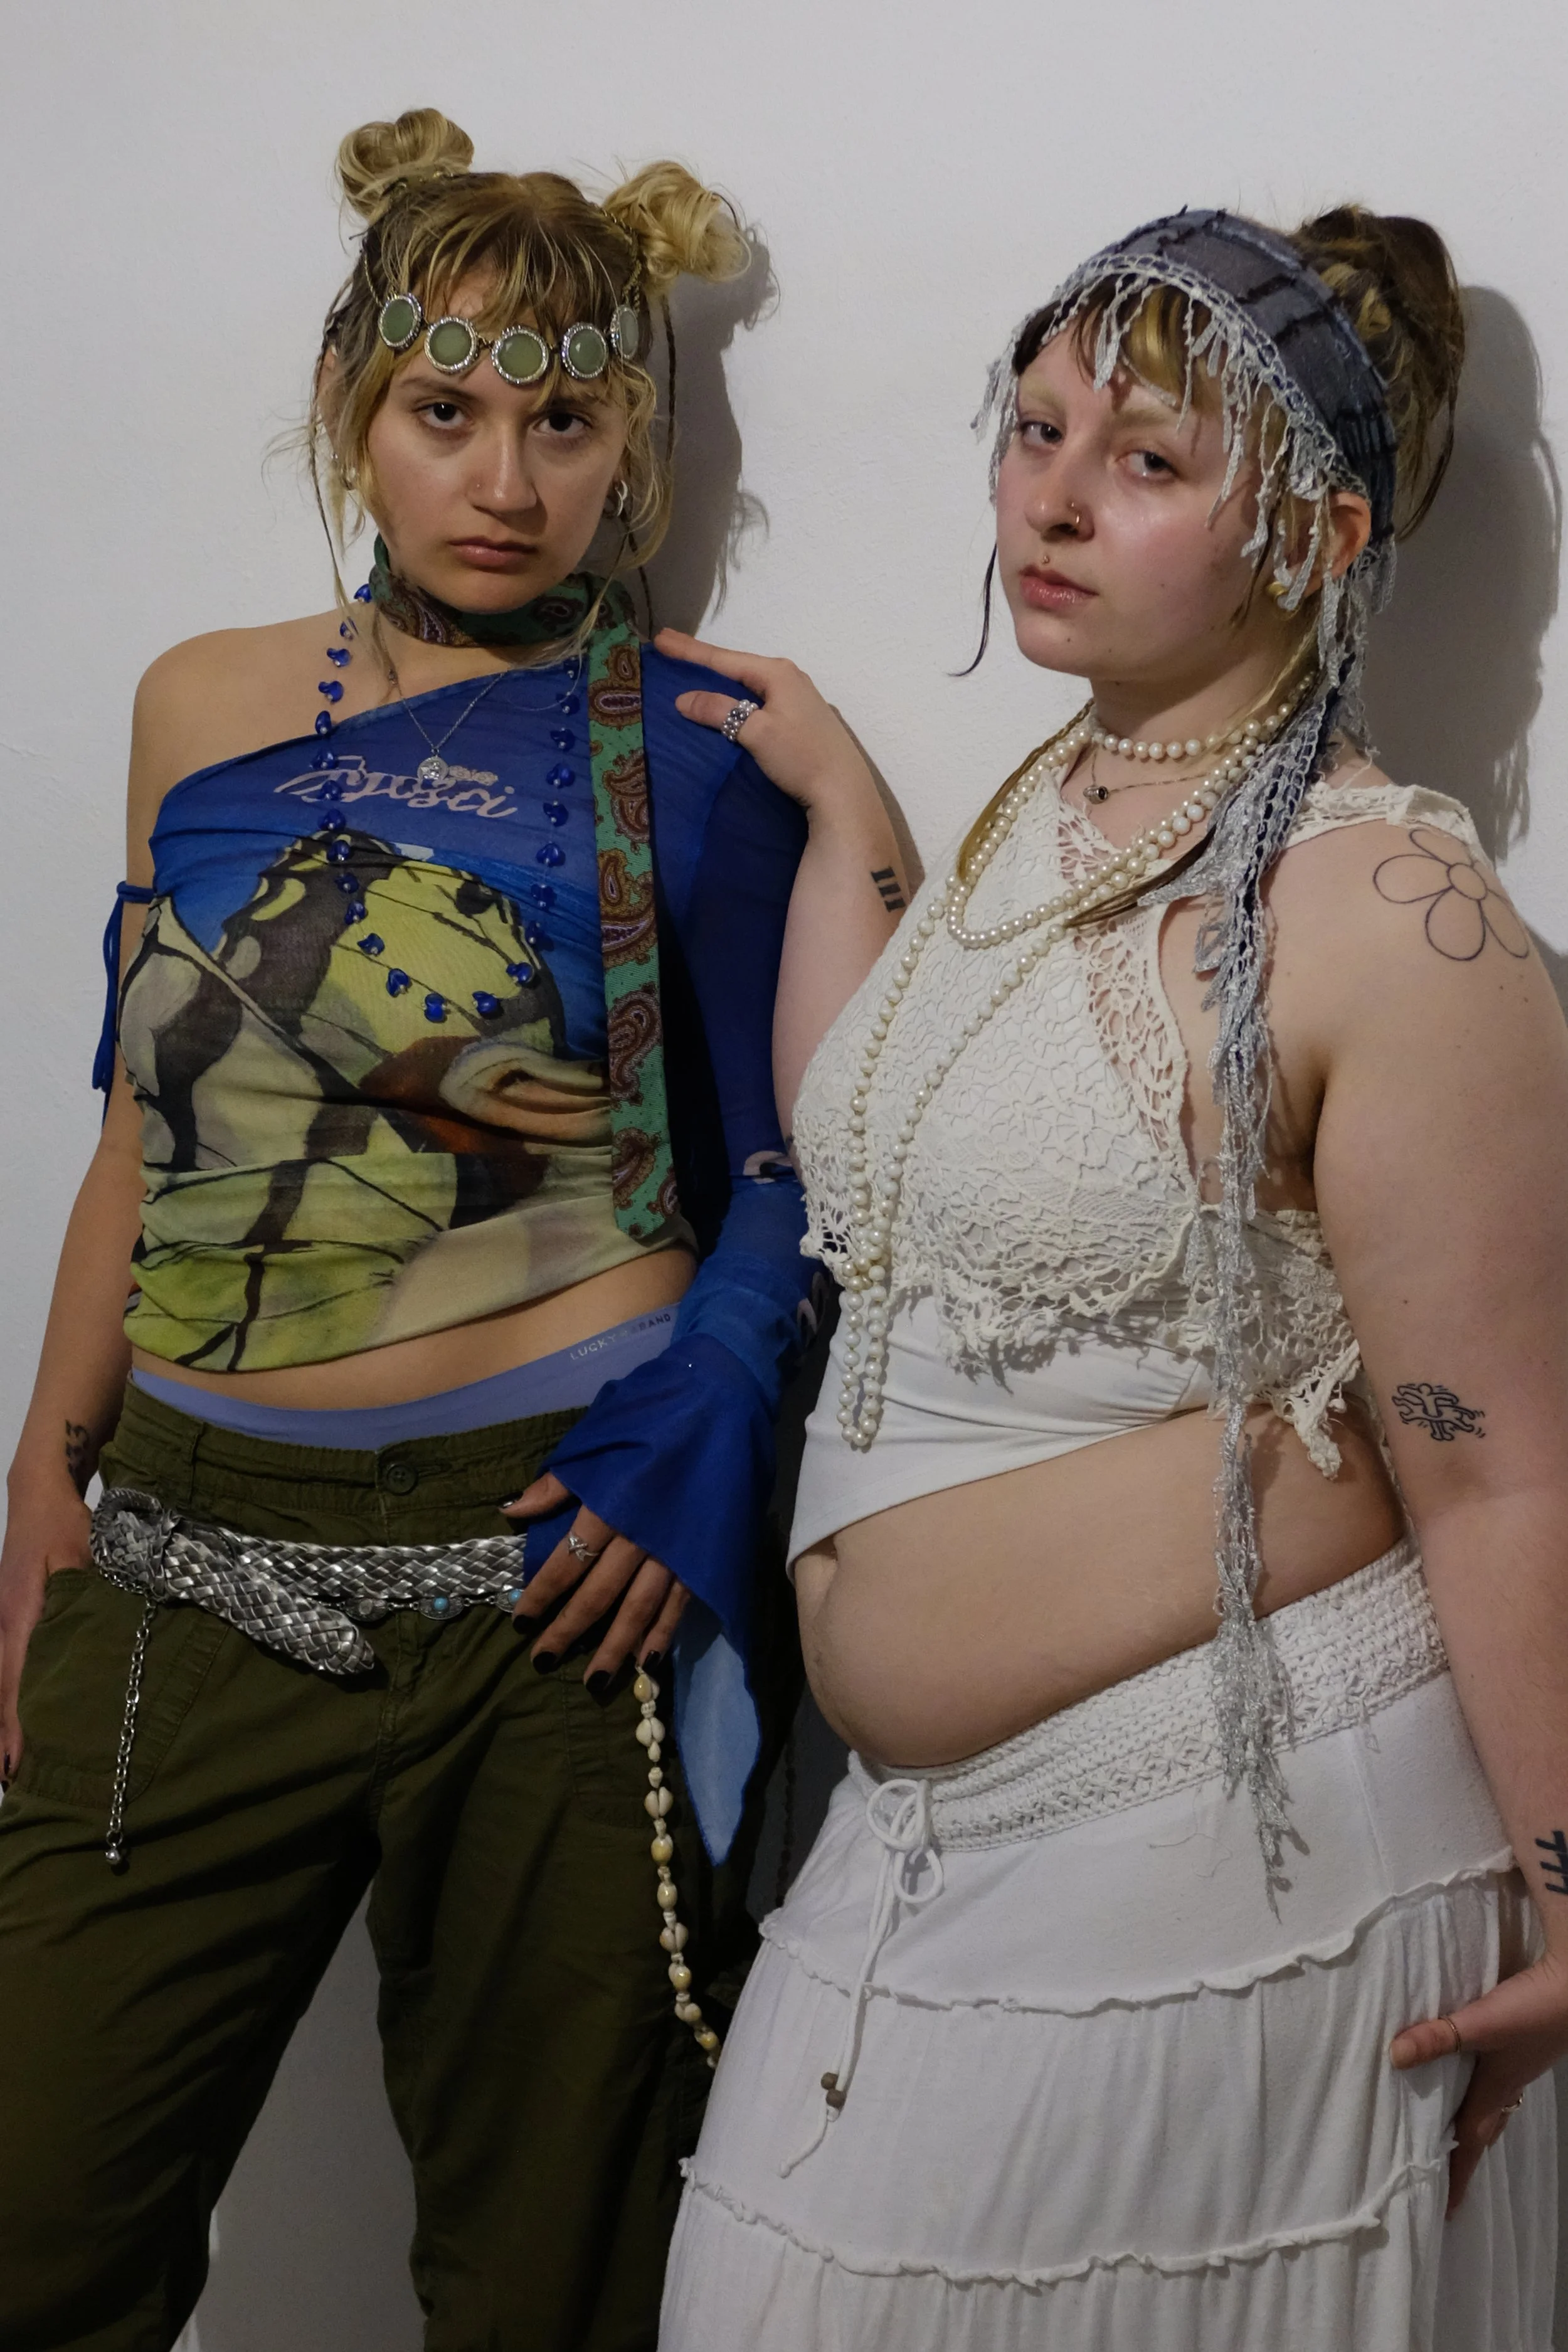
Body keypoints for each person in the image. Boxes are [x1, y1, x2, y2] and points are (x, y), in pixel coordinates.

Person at [0, 108, 900, 2352]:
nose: (505, 478)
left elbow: (832, 1145)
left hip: (557, 1582)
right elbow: (153, 1110)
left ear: (638, 448)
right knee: (37, 2223)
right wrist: (45, 1456)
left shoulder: (710, 736)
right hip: (186, 1557)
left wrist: (707, 1414)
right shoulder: (196, 704)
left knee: (547, 2285)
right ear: (355, 414)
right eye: (447, 413)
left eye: (566, 419)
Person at [659, 206, 1568, 2348]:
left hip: (1220, 1847)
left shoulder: (1390, 915)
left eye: (1147, 461)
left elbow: (1505, 1460)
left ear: (1317, 533)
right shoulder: (1043, 808)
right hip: (910, 1844)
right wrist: (846, 809)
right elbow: (897, 1142)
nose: (1049, 497)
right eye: (1034, 428)